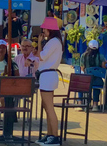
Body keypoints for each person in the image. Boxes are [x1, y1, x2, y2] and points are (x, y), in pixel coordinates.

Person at [35, 17, 63, 146]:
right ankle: (50, 134)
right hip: (47, 75)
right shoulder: (55, 42)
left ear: (50, 30)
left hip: (47, 75)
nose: (43, 32)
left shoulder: (53, 42)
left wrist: (40, 43)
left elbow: (41, 56)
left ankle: (54, 136)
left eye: (45, 29)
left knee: (49, 108)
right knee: (47, 107)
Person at [80, 39, 107, 111]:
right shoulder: (100, 56)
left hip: (87, 80)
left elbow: (82, 68)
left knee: (83, 85)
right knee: (97, 86)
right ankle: (95, 105)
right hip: (97, 79)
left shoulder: (83, 56)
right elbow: (103, 68)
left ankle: (85, 103)